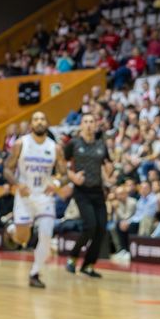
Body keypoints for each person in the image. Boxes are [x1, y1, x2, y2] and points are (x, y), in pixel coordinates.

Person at [5, 110, 66, 289]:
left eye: (42, 119)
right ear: (31, 124)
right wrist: (17, 184)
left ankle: (35, 273)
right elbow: (7, 169)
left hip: (45, 197)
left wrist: (55, 182)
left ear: (47, 123)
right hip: (25, 196)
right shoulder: (20, 144)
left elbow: (64, 174)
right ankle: (11, 230)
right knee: (23, 238)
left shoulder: (55, 148)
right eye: (36, 119)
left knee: (46, 237)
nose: (39, 122)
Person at [63, 111, 111, 277]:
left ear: (96, 125)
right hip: (82, 191)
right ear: (81, 125)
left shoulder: (101, 145)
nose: (89, 124)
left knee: (101, 228)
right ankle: (72, 258)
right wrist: (72, 177)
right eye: (86, 121)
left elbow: (107, 165)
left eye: (92, 121)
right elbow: (62, 165)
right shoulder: (74, 144)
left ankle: (88, 265)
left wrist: (110, 175)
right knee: (90, 226)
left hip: (98, 191)